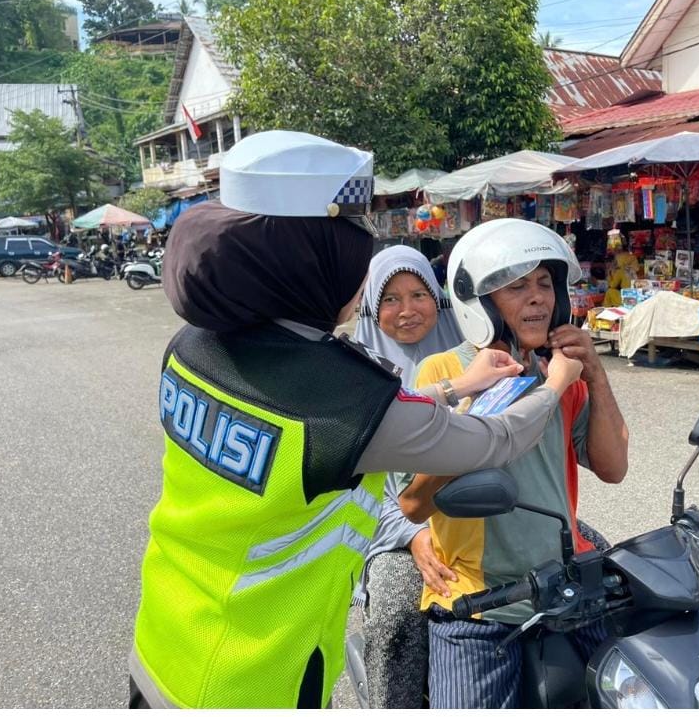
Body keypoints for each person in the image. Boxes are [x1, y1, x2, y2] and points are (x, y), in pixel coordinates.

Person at [127, 131, 585, 709]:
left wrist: (458, 386)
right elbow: (495, 441)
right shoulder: (344, 396)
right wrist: (556, 383)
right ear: (310, 264)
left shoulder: (191, 348)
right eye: (352, 252)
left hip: (165, 640)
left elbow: (371, 423)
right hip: (254, 674)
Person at [396, 217, 630, 709]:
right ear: (480, 303)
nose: (538, 298)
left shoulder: (563, 373)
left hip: (564, 587)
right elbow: (412, 503)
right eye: (517, 287)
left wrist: (595, 374)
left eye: (545, 283)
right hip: (475, 605)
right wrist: (479, 398)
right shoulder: (444, 373)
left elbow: (613, 467)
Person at [351, 245, 463, 708]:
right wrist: (414, 534)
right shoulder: (354, 373)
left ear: (438, 299)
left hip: (482, 515)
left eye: (418, 294)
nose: (407, 310)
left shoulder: (474, 355)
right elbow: (355, 489)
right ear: (372, 308)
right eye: (390, 300)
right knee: (398, 612)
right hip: (396, 530)